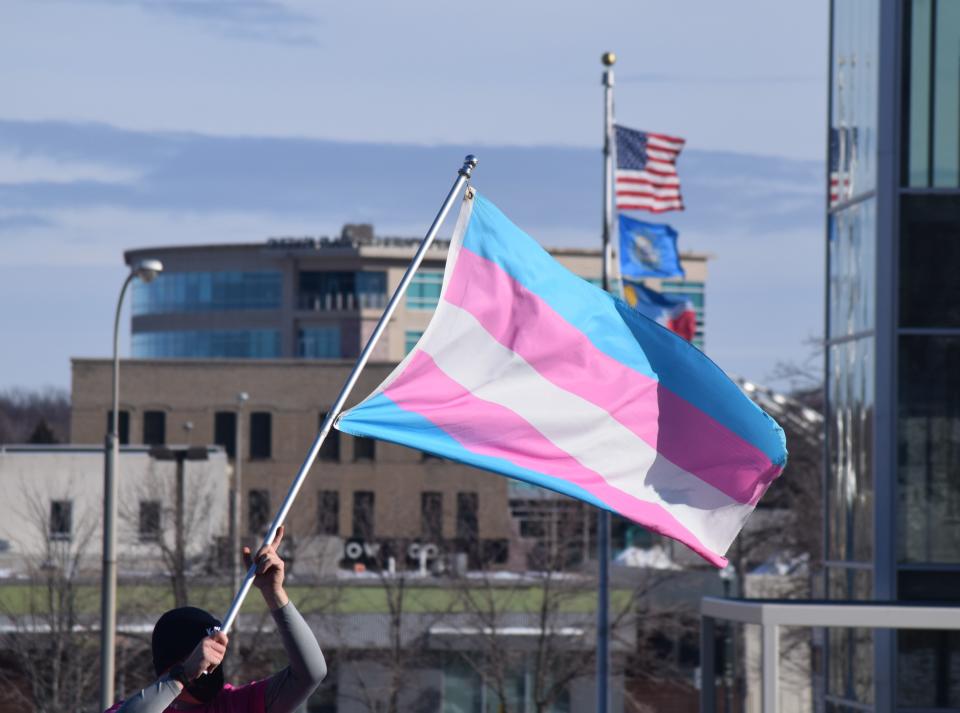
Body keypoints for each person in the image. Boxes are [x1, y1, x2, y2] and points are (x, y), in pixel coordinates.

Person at [106, 526, 326, 713]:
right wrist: (183, 676)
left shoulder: (233, 704)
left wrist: (274, 593)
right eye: (202, 654)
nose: (211, 665)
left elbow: (310, 674)